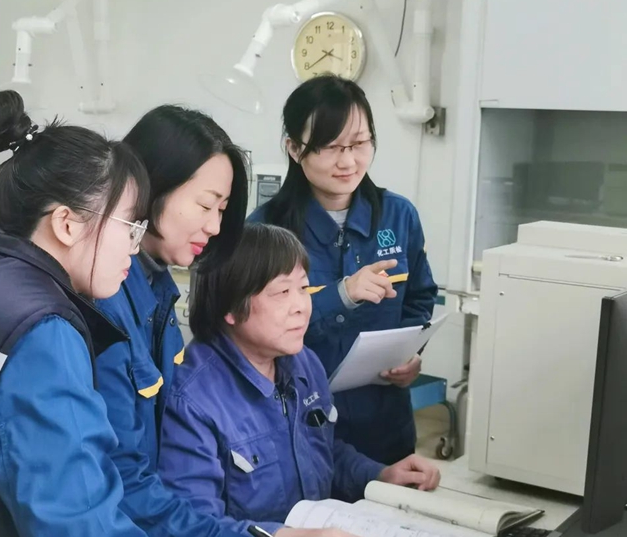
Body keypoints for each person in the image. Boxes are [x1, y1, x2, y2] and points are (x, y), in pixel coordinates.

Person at [0, 90, 153, 536]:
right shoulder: (44, 333)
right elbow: (78, 521)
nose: (135, 246)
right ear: (67, 223)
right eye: (130, 226)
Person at [158, 223, 441, 537]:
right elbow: (192, 526)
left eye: (304, 288)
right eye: (282, 292)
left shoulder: (303, 362)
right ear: (231, 307)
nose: (302, 307)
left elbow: (323, 452)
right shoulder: (192, 401)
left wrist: (379, 475)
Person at [249, 75, 438, 465]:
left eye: (359, 143)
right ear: (294, 148)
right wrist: (342, 295)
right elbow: (253, 331)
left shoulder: (398, 215)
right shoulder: (265, 232)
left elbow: (420, 299)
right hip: (299, 426)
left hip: (385, 425)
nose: (348, 162)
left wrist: (411, 354)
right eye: (331, 147)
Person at [94, 105, 249, 535]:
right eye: (205, 205)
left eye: (223, 209)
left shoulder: (157, 288)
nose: (215, 226)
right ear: (151, 186)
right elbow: (122, 478)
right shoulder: (105, 301)